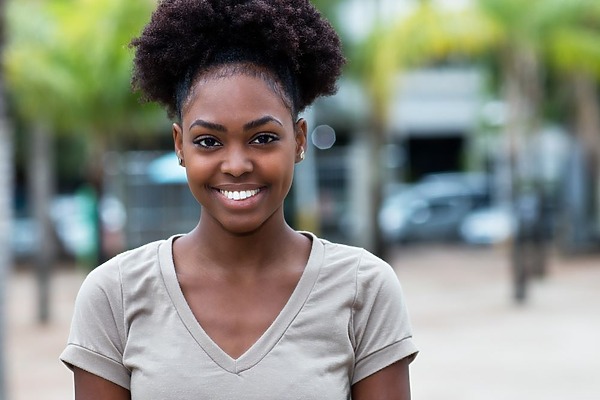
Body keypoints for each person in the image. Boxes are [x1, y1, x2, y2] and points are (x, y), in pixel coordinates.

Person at [60, 1, 418, 399]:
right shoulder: (115, 295)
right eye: (208, 141)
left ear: (299, 140)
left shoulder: (362, 288)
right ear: (180, 145)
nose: (236, 164)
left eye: (262, 138)